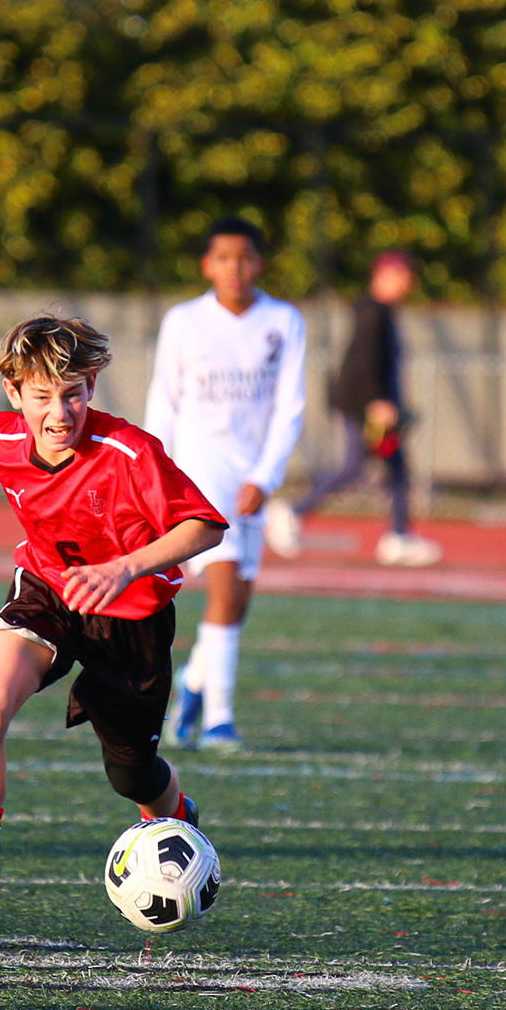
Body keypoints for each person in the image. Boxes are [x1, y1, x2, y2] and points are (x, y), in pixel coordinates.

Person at [0, 315, 225, 936]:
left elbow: (204, 527)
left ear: (91, 388)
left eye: (72, 394)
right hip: (46, 591)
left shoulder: (129, 452)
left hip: (130, 616)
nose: (59, 412)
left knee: (132, 774)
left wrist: (124, 567)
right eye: (42, 396)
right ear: (13, 393)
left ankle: (178, 818)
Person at [142, 216, 307, 753]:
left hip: (251, 473)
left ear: (260, 263)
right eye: (223, 258)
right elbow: (164, 400)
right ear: (206, 265)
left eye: (245, 258)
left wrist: (266, 476)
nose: (234, 268)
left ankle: (191, 689)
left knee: (238, 600)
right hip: (200, 470)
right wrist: (156, 473)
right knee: (223, 583)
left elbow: (290, 407)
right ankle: (220, 719)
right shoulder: (184, 321)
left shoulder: (284, 321)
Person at [266, 250, 442, 567]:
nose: (406, 283)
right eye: (400, 276)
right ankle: (292, 511)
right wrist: (377, 403)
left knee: (394, 469)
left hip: (371, 406)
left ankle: (398, 535)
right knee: (356, 467)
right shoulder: (373, 313)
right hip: (365, 407)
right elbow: (364, 362)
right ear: (382, 276)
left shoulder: (383, 312)